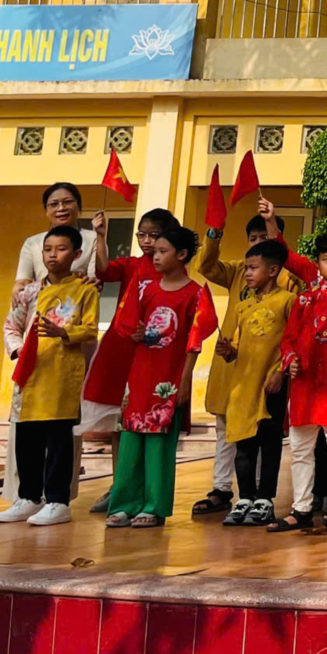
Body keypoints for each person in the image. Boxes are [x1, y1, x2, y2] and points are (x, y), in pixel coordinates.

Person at [191, 203, 307, 517]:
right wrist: (214, 232)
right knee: (228, 429)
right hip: (236, 368)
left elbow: (293, 334)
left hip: (270, 372)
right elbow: (205, 265)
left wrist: (281, 369)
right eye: (252, 239)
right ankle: (223, 489)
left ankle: (260, 495)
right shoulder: (239, 271)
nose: (256, 244)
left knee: (264, 434)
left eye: (263, 237)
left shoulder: (289, 282)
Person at [105, 215, 217, 528]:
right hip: (140, 375)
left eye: (162, 251)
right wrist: (135, 333)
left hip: (169, 378)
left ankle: (153, 507)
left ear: (181, 255)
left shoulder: (196, 294)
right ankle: (124, 504)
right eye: (154, 251)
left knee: (159, 445)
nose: (155, 256)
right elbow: (128, 325)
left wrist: (185, 381)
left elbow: (194, 343)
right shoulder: (145, 290)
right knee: (130, 440)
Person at [0, 223, 97, 527]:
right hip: (30, 372)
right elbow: (11, 325)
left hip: (62, 374)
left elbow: (90, 329)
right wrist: (18, 350)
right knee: (26, 437)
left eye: (61, 249)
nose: (53, 255)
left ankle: (58, 501)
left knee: (58, 438)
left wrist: (63, 332)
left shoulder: (86, 290)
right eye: (48, 249)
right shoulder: (29, 292)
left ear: (76, 254)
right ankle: (28, 497)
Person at [271, 230, 327, 533]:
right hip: (305, 386)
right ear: (318, 262)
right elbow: (288, 339)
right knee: (300, 449)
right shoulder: (304, 300)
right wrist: (291, 360)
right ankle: (301, 508)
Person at [76, 209, 160, 511]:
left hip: (152, 353)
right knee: (119, 423)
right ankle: (119, 486)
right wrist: (101, 236)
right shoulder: (131, 264)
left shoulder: (171, 270)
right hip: (120, 348)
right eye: (141, 234)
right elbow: (102, 270)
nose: (146, 241)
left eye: (153, 235)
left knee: (145, 424)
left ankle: (146, 491)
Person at [219, 240, 298, 527]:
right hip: (243, 386)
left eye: (253, 268)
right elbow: (242, 347)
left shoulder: (288, 301)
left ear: (273, 270)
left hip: (271, 384)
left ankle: (265, 499)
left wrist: (281, 372)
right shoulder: (243, 306)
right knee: (244, 444)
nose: (248, 273)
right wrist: (229, 351)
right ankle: (245, 497)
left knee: (270, 441)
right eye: (246, 268)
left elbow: (294, 341)